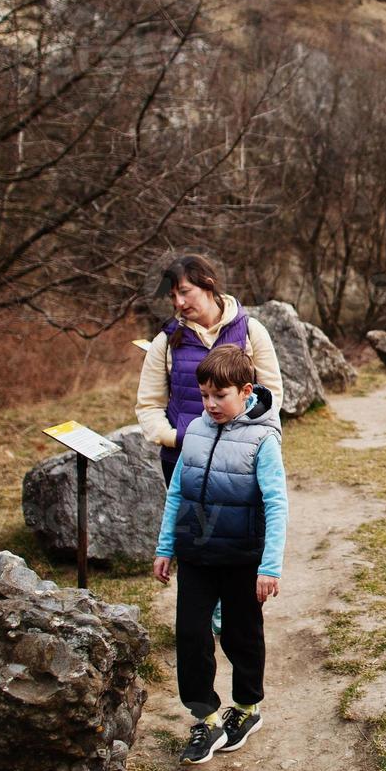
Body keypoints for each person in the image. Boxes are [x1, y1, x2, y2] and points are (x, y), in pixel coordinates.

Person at [153, 345, 288, 766]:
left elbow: (276, 504)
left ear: (246, 391)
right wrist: (165, 546)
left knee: (239, 636)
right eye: (205, 395)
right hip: (196, 554)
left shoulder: (263, 438)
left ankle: (247, 708)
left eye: (220, 395)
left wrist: (269, 566)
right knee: (192, 636)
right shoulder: (194, 429)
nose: (210, 404)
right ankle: (206, 716)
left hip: (242, 557)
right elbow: (177, 490)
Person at [136, 254, 282, 637]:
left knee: (237, 540)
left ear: (209, 285)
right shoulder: (167, 341)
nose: (179, 302)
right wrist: (179, 438)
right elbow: (148, 406)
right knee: (199, 543)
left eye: (185, 291)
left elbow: (272, 393)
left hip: (243, 462)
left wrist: (248, 435)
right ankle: (203, 621)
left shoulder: (251, 331)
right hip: (187, 459)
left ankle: (233, 620)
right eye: (173, 295)